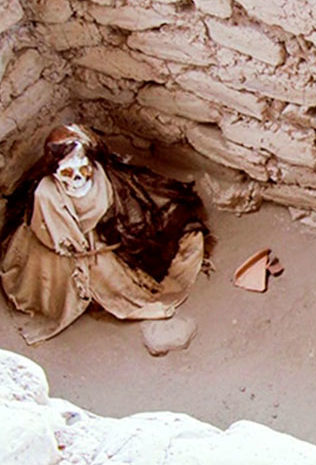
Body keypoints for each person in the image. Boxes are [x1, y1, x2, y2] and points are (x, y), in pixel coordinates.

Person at [1, 124, 208, 344]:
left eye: (83, 170)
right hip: (61, 243)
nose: (78, 179)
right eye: (68, 173)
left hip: (102, 234)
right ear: (55, 173)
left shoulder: (103, 179)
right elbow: (48, 231)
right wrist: (76, 249)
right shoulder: (46, 194)